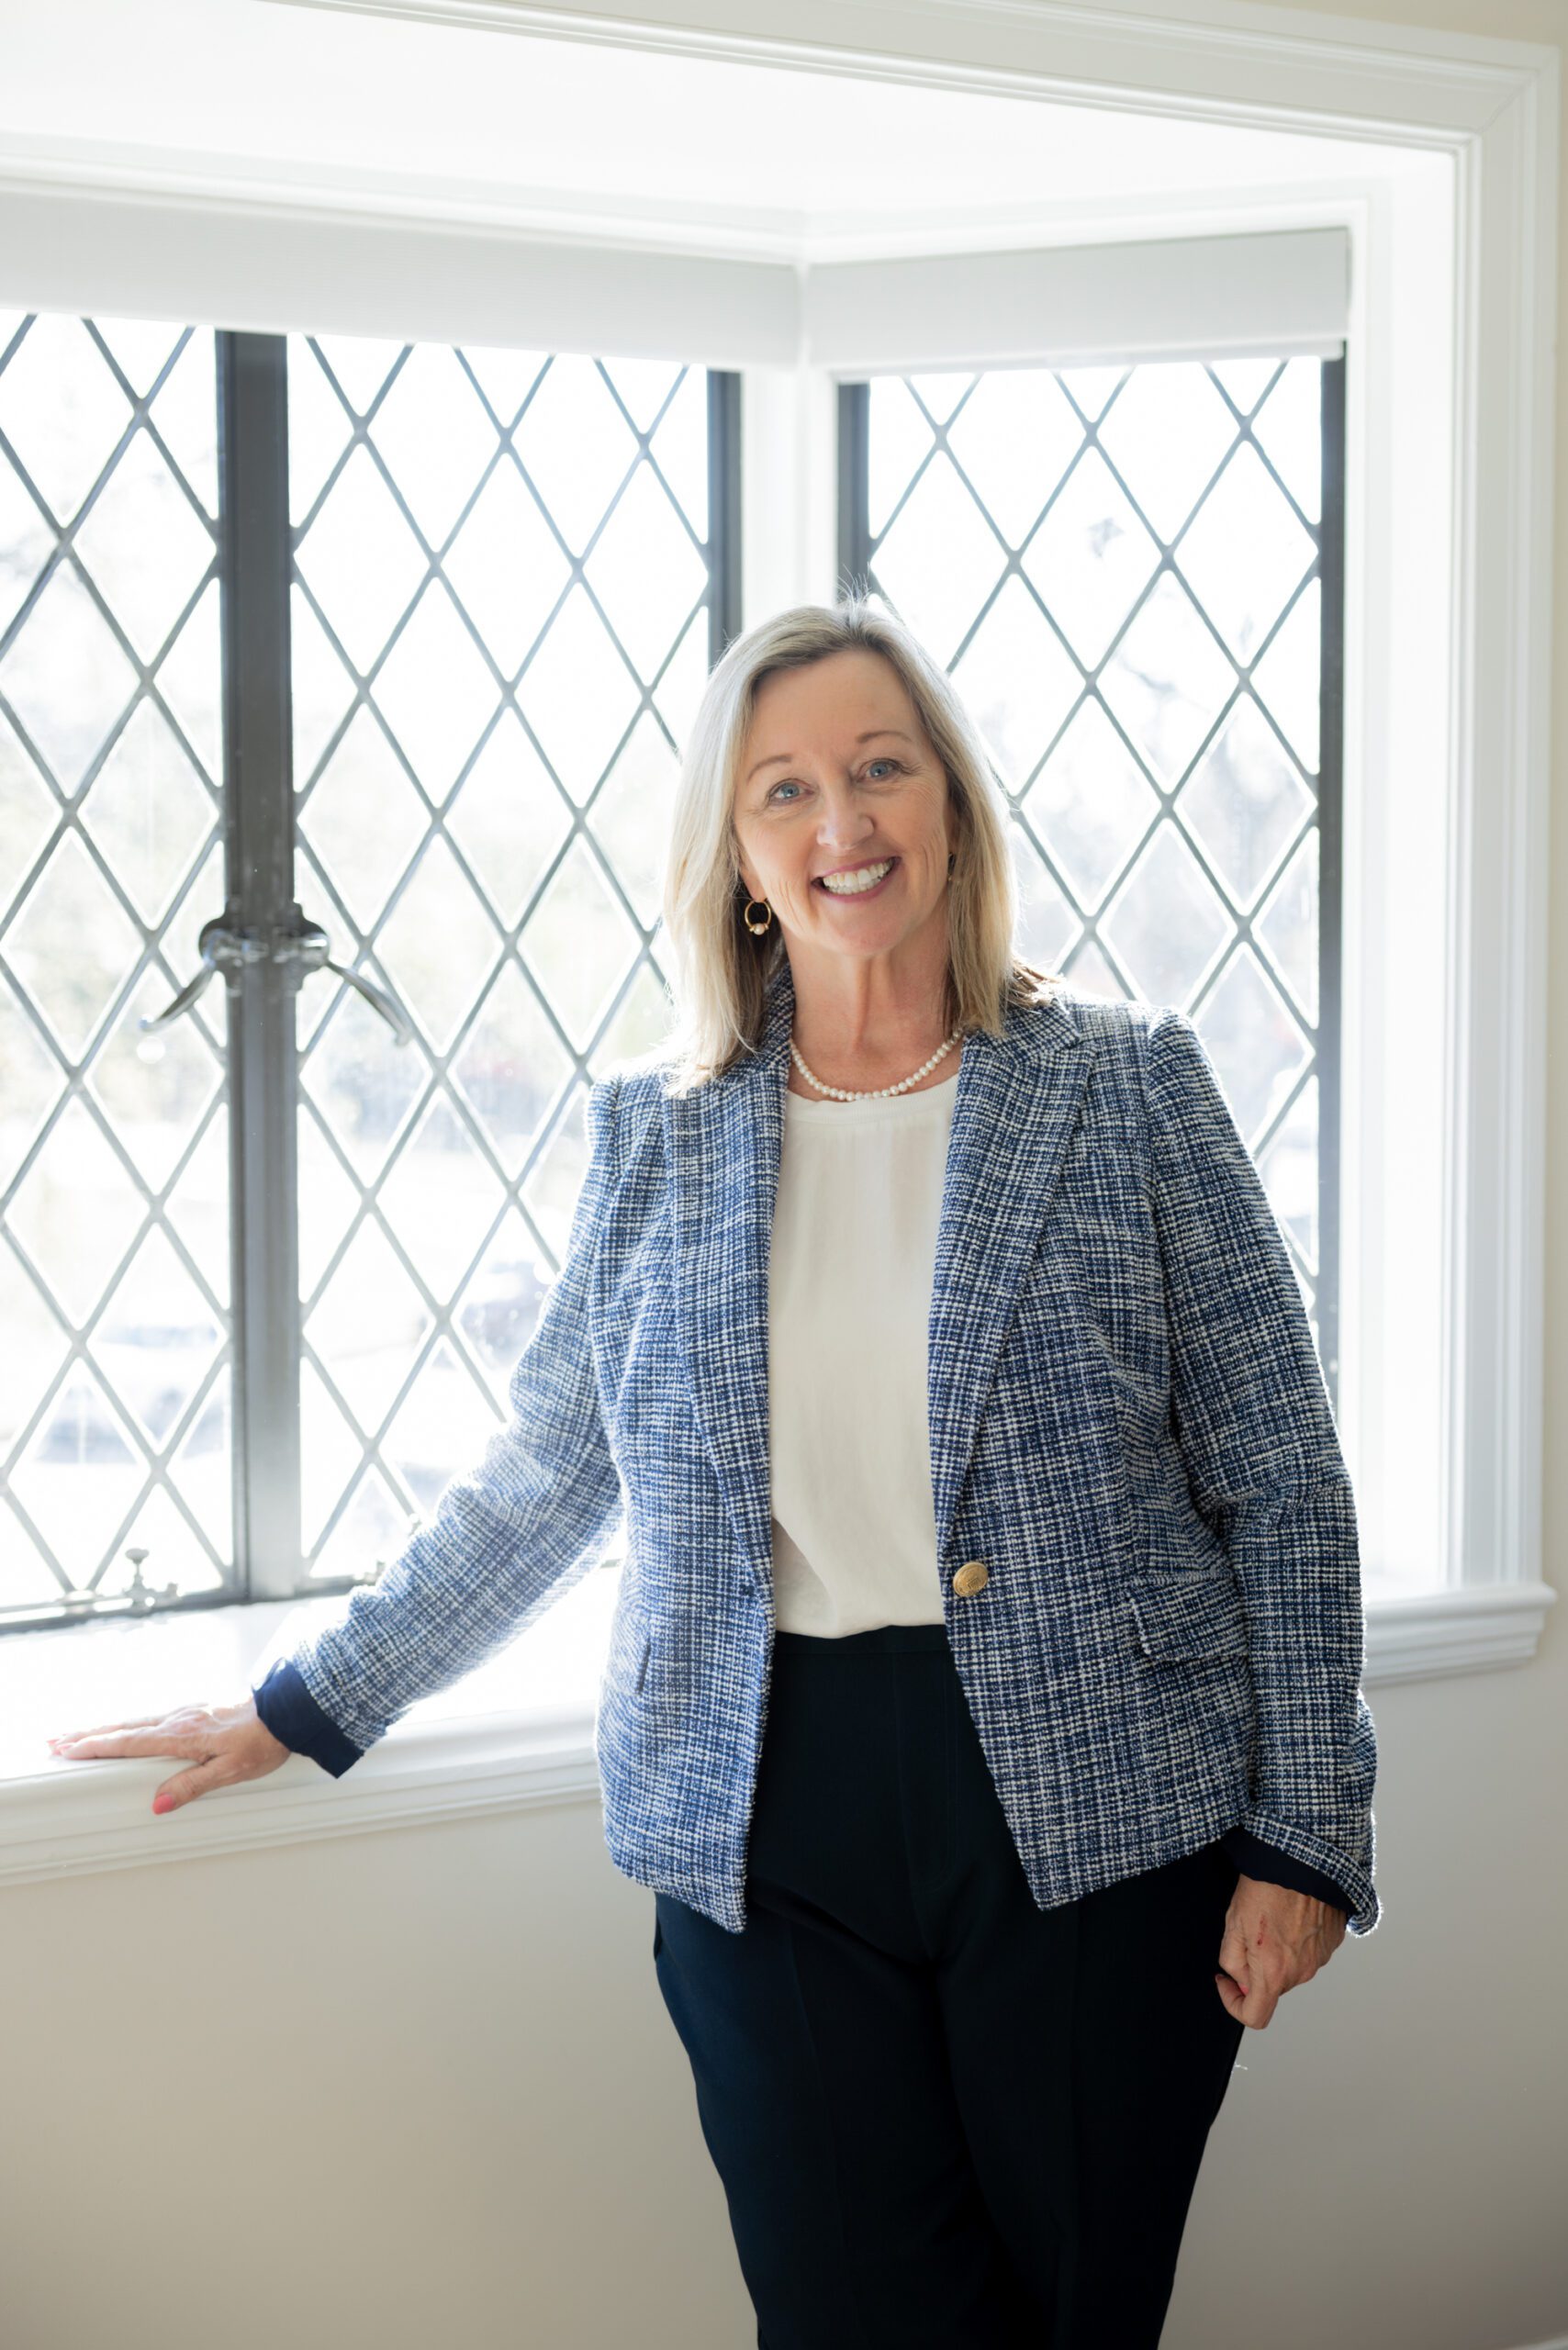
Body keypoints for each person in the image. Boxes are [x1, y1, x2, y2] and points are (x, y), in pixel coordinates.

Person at [52, 596, 1381, 2348]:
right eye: (785, 791)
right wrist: (306, 1698)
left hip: (1098, 1818)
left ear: (953, 806)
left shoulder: (1127, 1089)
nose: (844, 823)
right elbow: (552, 1472)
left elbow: (1281, 1477)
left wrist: (1310, 1834)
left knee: (1076, 2310)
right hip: (764, 1818)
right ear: (740, 857)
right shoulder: (660, 1129)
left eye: (881, 768)